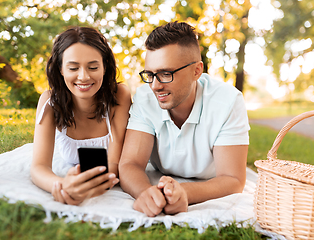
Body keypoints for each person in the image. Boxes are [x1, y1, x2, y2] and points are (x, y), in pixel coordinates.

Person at [118, 21, 250, 217]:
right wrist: (146, 193)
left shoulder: (228, 101)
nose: (155, 86)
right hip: (162, 180)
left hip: (209, 180)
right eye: (150, 74)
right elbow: (130, 164)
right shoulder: (145, 97)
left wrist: (184, 192)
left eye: (165, 73)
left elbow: (233, 179)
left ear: (196, 71)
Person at [31, 26, 131, 205]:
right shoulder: (49, 102)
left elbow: (113, 164)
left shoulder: (120, 96)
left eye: (93, 67)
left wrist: (84, 186)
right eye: (73, 68)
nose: (83, 76)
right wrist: (64, 186)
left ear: (105, 67)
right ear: (61, 69)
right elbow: (39, 167)